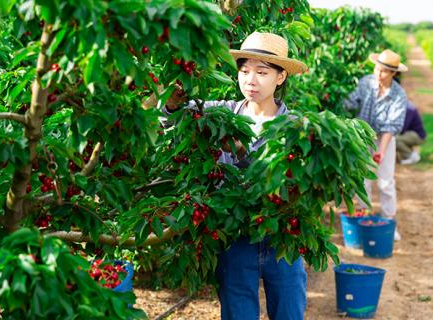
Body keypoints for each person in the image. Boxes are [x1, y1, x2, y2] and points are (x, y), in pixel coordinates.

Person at [145, 32, 308, 320]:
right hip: (234, 238)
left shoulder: (295, 127)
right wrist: (171, 103)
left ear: (281, 77)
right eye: (244, 71)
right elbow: (170, 120)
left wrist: (244, 154)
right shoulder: (222, 113)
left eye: (262, 72)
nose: (251, 80)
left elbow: (302, 183)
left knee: (289, 312)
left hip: (282, 238)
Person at [345, 49, 408, 241]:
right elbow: (350, 101)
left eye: (383, 71)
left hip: (384, 139)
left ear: (393, 74)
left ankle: (389, 221)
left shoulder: (398, 95)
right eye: (377, 69)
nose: (378, 74)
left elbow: (390, 127)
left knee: (386, 182)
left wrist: (381, 151)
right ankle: (363, 217)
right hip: (363, 136)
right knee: (363, 181)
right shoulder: (366, 82)